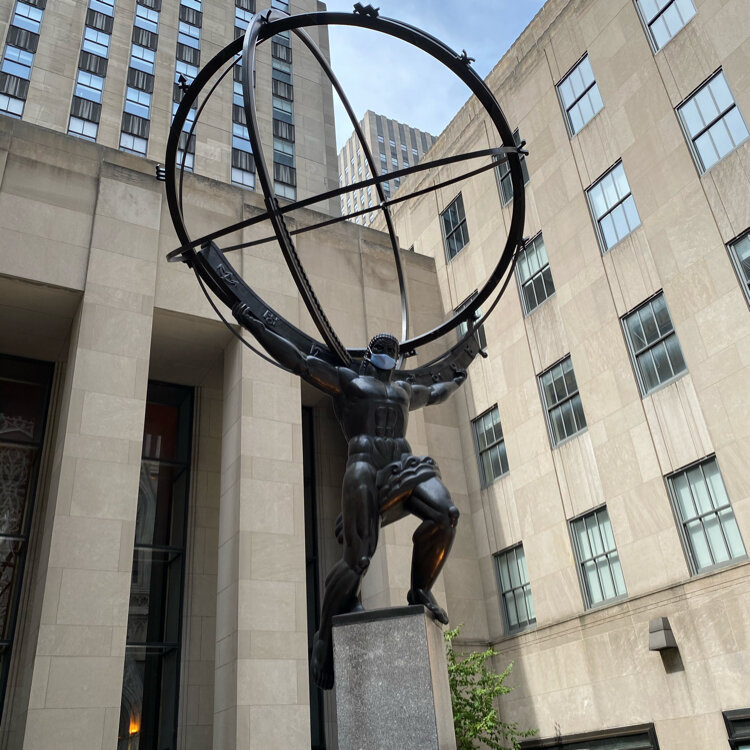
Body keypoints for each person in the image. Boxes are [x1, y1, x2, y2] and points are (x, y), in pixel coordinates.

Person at [234, 305, 466, 689]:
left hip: (404, 466)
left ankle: (420, 588)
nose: (388, 354)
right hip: (364, 469)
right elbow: (300, 362)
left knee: (447, 515)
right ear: (369, 354)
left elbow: (437, 392)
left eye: (393, 350)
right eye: (381, 349)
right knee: (358, 559)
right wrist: (254, 324)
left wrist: (460, 374)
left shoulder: (404, 390)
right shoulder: (350, 382)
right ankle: (323, 637)